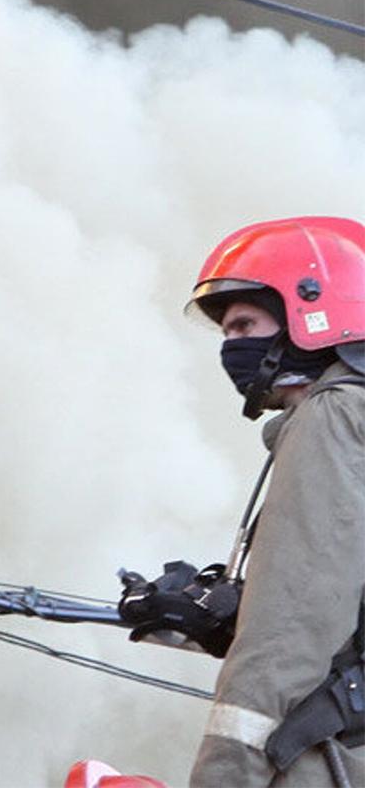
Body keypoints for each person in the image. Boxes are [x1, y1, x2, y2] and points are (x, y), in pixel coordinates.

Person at [183, 217, 364, 786]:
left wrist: (224, 774)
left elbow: (289, 631)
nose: (232, 349)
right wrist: (225, 617)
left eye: (243, 325)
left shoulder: (331, 418)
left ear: (311, 314)